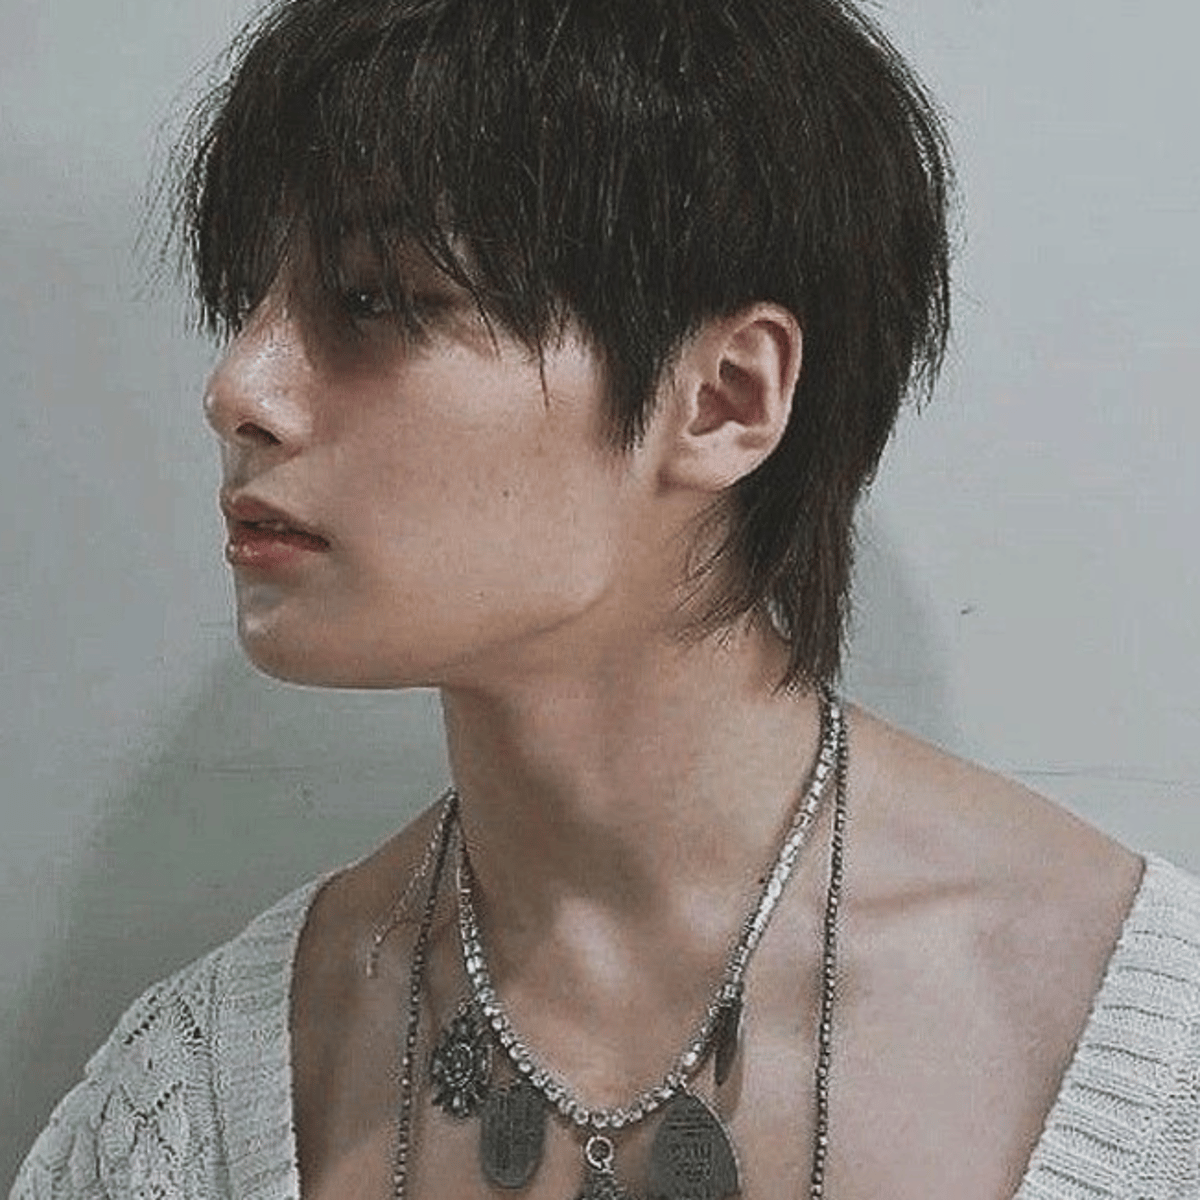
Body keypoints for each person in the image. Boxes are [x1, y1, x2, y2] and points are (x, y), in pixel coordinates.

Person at [12, 0, 1200, 1197]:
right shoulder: (202, 1102)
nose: (238, 388)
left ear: (725, 399)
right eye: (250, 304)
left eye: (378, 298)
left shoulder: (1135, 1062)